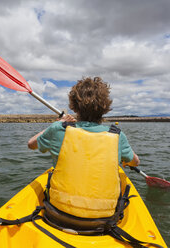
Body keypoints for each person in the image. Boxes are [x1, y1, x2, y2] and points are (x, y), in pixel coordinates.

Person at [28, 76, 140, 220]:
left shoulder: (58, 129)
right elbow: (135, 162)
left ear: (73, 106)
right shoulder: (117, 136)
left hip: (58, 212)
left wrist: (58, 124)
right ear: (105, 108)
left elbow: (31, 144)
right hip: (103, 219)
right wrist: (127, 161)